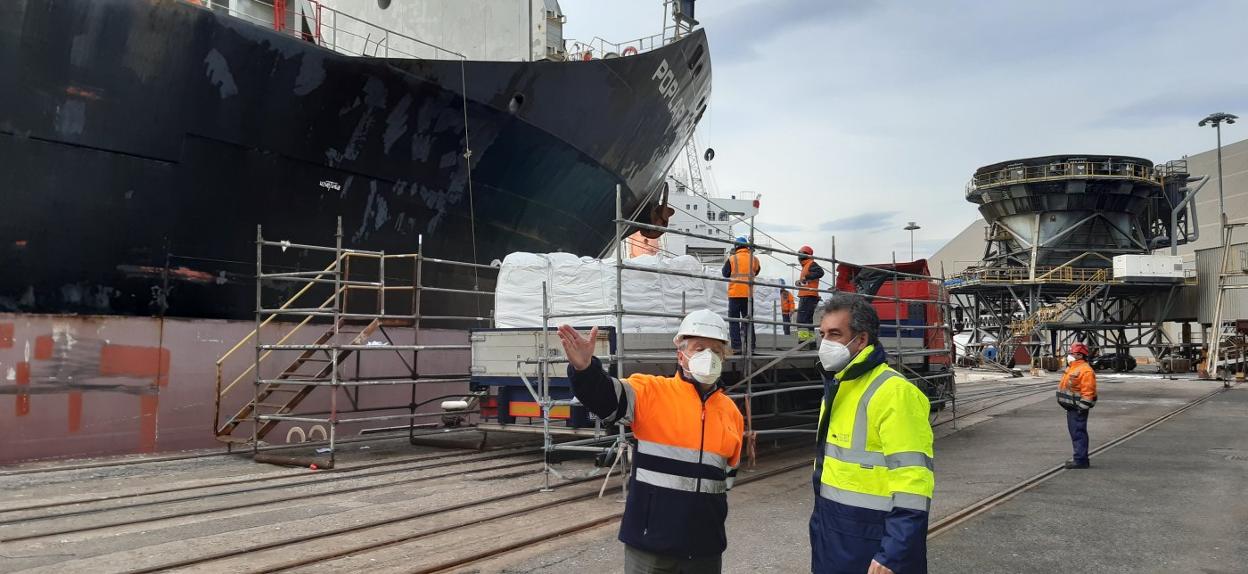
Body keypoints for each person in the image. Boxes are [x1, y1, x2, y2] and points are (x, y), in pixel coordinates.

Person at [558, 309, 744, 574]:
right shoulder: (650, 392)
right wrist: (585, 370)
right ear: (681, 354)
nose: (708, 356)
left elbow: (726, 480)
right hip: (650, 545)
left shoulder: (731, 413)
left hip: (705, 547)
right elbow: (606, 399)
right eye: (699, 347)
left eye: (716, 350)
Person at [809, 293, 933, 574]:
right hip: (834, 537)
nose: (825, 343)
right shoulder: (838, 387)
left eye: (835, 334)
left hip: (873, 545)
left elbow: (913, 483)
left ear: (861, 340)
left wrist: (893, 553)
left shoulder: (893, 392)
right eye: (823, 334)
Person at [1056, 342, 1097, 469]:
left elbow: (1088, 391)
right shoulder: (1072, 367)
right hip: (1072, 407)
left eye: (1073, 353)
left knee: (1078, 433)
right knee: (1075, 433)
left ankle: (1080, 460)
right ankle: (1079, 458)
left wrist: (1082, 408)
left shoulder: (1085, 370)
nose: (1070, 355)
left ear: (1080, 355)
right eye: (1071, 353)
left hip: (1078, 408)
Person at [722, 236, 761, 352]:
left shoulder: (732, 259)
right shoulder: (754, 259)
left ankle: (737, 347)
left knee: (734, 320)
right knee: (749, 321)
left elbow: (725, 273)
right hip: (748, 295)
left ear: (736, 247)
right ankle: (751, 347)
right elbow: (757, 271)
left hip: (735, 294)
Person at [795, 245, 825, 343]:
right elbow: (807, 281)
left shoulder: (811, 264)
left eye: (801, 253)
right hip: (807, 295)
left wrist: (807, 277)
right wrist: (800, 282)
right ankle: (811, 342)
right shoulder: (806, 266)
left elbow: (820, 272)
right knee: (807, 320)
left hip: (808, 295)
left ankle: (803, 342)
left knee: (801, 320)